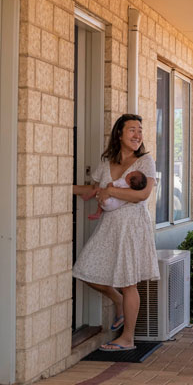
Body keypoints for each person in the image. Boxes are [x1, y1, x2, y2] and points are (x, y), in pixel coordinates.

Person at [72, 114, 159, 351]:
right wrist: (65, 188)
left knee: (129, 282)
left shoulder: (145, 161)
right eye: (132, 130)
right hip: (109, 225)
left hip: (132, 226)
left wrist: (111, 193)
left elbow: (142, 195)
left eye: (140, 130)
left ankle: (127, 338)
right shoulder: (107, 161)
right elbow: (95, 188)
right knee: (85, 269)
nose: (137, 135)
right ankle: (118, 301)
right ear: (119, 133)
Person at [83, 170, 148, 220]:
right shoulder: (132, 192)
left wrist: (108, 188)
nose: (129, 173)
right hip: (111, 207)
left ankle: (87, 197)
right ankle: (98, 214)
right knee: (101, 203)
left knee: (97, 189)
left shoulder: (123, 181)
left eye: (130, 173)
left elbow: (110, 185)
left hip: (107, 201)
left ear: (129, 180)